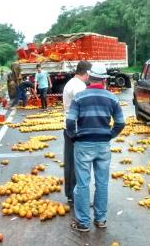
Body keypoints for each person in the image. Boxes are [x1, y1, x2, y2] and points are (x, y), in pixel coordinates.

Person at [66, 62, 125, 232]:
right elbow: (121, 123)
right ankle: (100, 220)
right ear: (105, 80)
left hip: (83, 144)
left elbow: (70, 121)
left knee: (83, 184)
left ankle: (83, 222)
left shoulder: (79, 97)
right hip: (103, 145)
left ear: (89, 78)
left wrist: (73, 136)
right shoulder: (112, 98)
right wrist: (110, 135)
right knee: (102, 183)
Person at [62, 61, 92, 205]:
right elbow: (82, 107)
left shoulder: (70, 82)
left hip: (67, 126)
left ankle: (70, 193)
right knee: (78, 164)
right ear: (86, 73)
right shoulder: (79, 87)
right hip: (76, 128)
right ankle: (76, 196)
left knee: (70, 162)